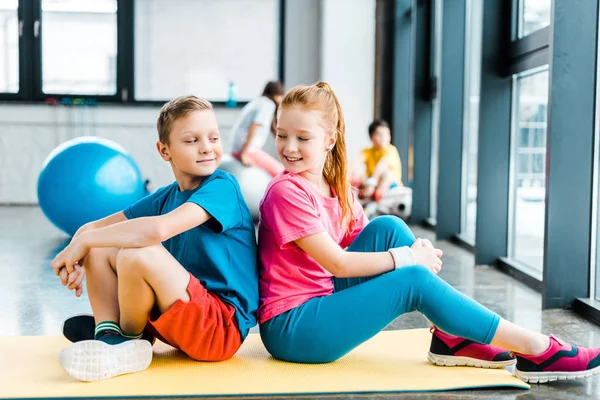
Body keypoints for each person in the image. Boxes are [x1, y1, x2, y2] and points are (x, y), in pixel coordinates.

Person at [256, 82, 600, 383]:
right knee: (413, 282)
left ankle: (450, 335)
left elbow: (364, 247)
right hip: (293, 328)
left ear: (329, 140)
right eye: (282, 135)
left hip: (321, 298)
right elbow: (341, 265)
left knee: (388, 227)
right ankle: (536, 348)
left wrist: (408, 252)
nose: (289, 147)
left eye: (303, 138)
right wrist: (410, 259)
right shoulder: (286, 191)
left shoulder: (336, 188)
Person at [51, 95, 259, 382]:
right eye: (192, 140)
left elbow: (157, 231)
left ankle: (127, 340)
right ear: (164, 150)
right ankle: (109, 332)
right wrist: (76, 249)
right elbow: (92, 229)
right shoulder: (166, 196)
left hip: (218, 330)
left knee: (139, 253)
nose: (207, 148)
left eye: (213, 137)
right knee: (102, 247)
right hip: (178, 316)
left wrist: (85, 243)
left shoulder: (222, 186)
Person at [230, 81, 285, 177]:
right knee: (281, 172)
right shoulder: (268, 104)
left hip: (239, 148)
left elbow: (273, 129)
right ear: (277, 95)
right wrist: (244, 153)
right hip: (246, 150)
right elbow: (254, 126)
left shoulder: (259, 101)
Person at [352, 119, 402, 202]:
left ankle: (376, 196)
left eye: (387, 133)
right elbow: (357, 162)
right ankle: (366, 193)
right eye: (379, 134)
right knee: (358, 173)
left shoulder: (391, 150)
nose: (384, 137)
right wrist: (354, 174)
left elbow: (382, 165)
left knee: (387, 174)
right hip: (371, 185)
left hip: (390, 186)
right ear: (371, 137)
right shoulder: (367, 151)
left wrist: (372, 183)